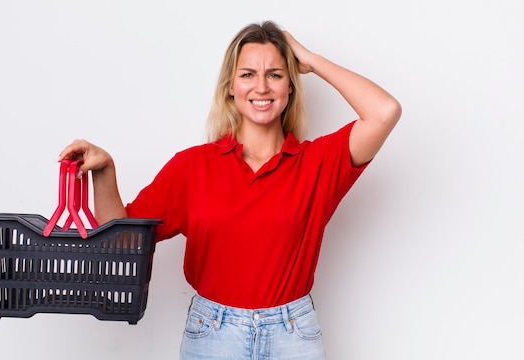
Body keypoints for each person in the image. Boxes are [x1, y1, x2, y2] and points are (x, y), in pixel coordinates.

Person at [59, 20, 401, 360]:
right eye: (248, 74)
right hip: (213, 334)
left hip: (293, 336)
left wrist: (310, 59)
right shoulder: (192, 167)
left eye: (276, 75)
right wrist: (105, 171)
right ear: (230, 87)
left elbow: (384, 111)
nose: (262, 87)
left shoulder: (317, 163)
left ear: (291, 87)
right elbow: (123, 240)